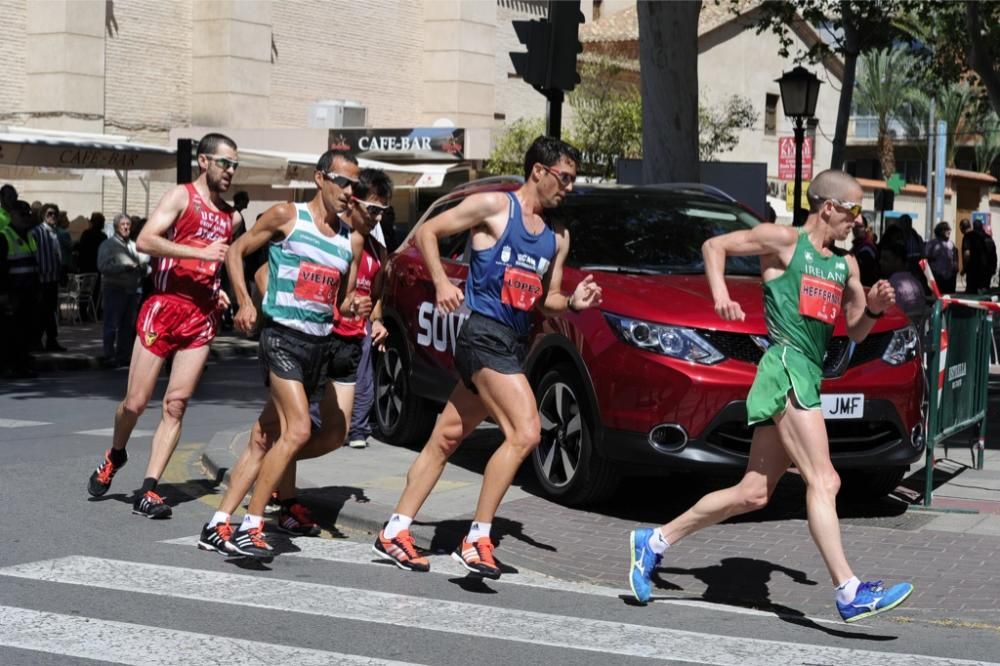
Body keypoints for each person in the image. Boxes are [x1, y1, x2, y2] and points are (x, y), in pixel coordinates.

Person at [627, 170, 914, 624]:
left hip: (809, 372)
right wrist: (720, 295)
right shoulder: (782, 241)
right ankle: (848, 590)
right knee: (826, 480)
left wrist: (875, 309)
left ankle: (654, 542)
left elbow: (856, 328)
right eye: (854, 211)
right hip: (785, 367)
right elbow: (713, 247)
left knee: (754, 493)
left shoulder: (847, 265)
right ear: (828, 207)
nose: (858, 223)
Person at [372, 136, 602, 579]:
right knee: (527, 432)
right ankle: (477, 539)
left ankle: (395, 529)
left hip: (512, 341)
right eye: (565, 178)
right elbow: (428, 231)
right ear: (539, 170)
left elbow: (546, 299)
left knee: (445, 439)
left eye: (574, 179)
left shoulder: (558, 236)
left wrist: (573, 302)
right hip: (483, 335)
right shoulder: (496, 206)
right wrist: (440, 282)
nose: (569, 187)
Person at [197, 149, 361, 558]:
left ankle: (217, 524)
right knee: (299, 430)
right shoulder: (288, 216)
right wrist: (244, 303)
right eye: (342, 182)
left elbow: (334, 300)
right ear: (320, 179)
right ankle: (251, 526)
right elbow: (235, 252)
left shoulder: (346, 239)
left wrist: (350, 305)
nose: (348, 192)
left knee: (262, 437)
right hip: (282, 339)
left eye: (353, 185)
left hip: (317, 348)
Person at [86, 133, 240, 519]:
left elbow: (216, 261)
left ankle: (149, 489)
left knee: (175, 404)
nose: (231, 171)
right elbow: (145, 240)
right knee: (135, 403)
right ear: (204, 161)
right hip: (164, 307)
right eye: (225, 163)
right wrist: (196, 251)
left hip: (201, 316)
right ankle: (116, 453)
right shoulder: (181, 196)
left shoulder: (231, 216)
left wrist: (216, 287)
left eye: (235, 165)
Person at [335, 169, 392, 449]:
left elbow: (377, 295)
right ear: (353, 201)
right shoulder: (332, 239)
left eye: (383, 211)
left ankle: (356, 430)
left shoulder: (377, 249)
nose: (377, 217)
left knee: (363, 395)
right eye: (373, 209)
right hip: (328, 334)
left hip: (360, 336)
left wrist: (377, 322)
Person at [97, 213, 147, 367]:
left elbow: (145, 264)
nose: (126, 227)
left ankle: (123, 355)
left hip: (132, 290)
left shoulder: (133, 245)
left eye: (128, 224)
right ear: (116, 227)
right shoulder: (108, 245)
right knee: (112, 324)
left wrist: (143, 268)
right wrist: (123, 267)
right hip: (115, 288)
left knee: (127, 325)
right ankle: (108, 355)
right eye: (123, 224)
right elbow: (103, 267)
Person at [0, 201, 41, 378]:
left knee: (26, 330)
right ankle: (9, 365)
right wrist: (3, 293)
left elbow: (34, 265)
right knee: (11, 331)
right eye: (22, 214)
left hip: (29, 291)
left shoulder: (30, 236)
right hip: (13, 292)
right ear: (12, 215)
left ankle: (22, 364)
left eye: (27, 214)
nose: (25, 218)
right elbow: (0, 268)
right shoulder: (4, 236)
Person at [31, 204, 65, 351]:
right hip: (41, 279)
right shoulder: (36, 232)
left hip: (53, 278)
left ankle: (51, 340)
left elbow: (58, 255)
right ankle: (36, 341)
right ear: (43, 215)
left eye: (55, 214)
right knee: (40, 311)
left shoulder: (55, 233)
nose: (52, 217)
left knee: (51, 311)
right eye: (49, 214)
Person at [880, 241, 926, 325]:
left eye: (885, 259)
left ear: (899, 261)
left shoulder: (890, 286)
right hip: (917, 331)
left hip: (899, 331)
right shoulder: (917, 282)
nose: (881, 262)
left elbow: (888, 316)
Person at [925, 221, 958, 294]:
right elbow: (926, 259)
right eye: (946, 229)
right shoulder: (932, 243)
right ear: (940, 231)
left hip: (950, 277)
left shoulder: (951, 243)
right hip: (937, 277)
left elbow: (955, 258)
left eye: (949, 229)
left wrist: (955, 268)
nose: (949, 231)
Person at [960, 218, 988, 294]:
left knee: (970, 292)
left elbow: (967, 254)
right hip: (981, 269)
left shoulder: (967, 237)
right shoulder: (978, 236)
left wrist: (964, 268)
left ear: (962, 228)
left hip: (971, 270)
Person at [849, 216, 878, 287]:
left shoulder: (867, 247)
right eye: (855, 226)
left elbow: (865, 273)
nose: (857, 229)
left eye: (860, 226)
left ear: (866, 228)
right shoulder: (857, 245)